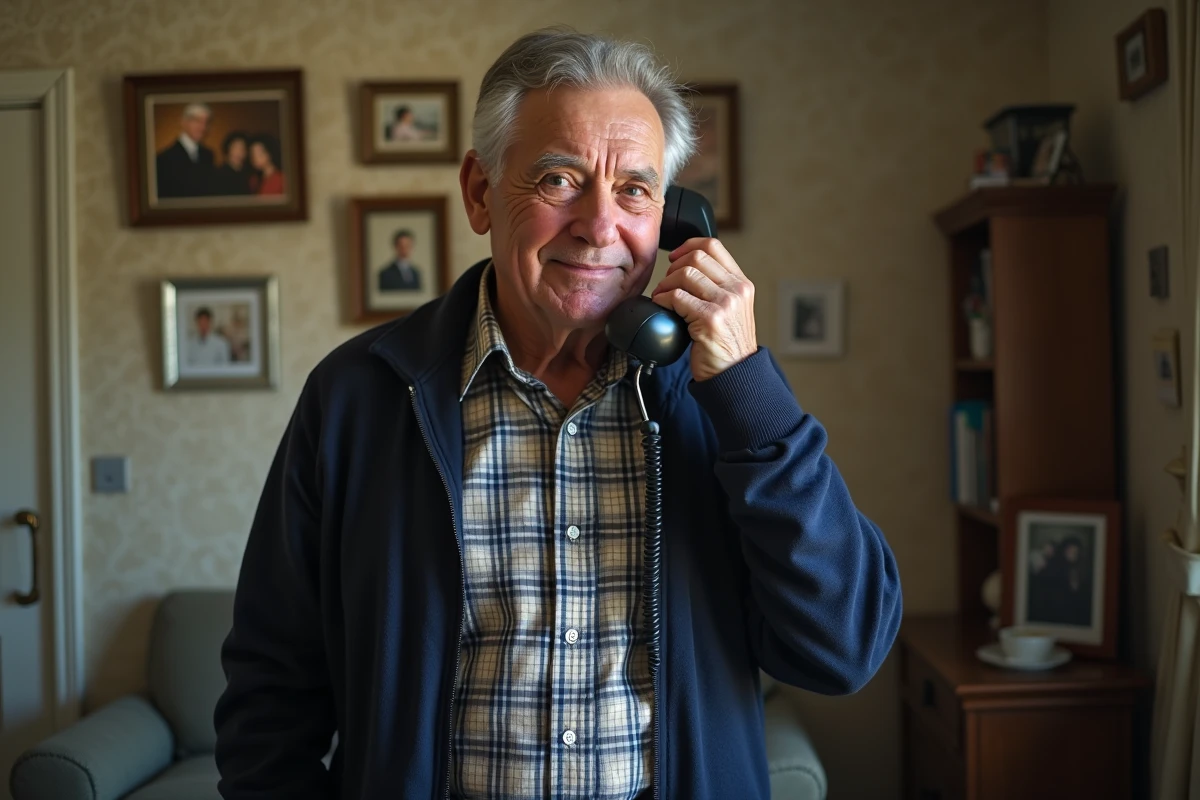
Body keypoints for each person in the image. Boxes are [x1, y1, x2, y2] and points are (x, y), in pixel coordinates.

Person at [214, 26, 902, 800]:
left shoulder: (726, 405)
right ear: (480, 192)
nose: (600, 224)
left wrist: (749, 392)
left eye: (635, 189)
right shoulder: (356, 398)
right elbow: (271, 688)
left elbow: (843, 650)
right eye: (559, 179)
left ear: (672, 217)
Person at [155, 102, 216, 198]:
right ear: (183, 122)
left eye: (206, 122)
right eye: (197, 121)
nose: (203, 128)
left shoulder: (208, 155)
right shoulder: (164, 159)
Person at [212, 130, 253, 196]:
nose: (239, 152)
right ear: (228, 149)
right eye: (236, 147)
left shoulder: (249, 175)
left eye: (242, 148)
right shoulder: (218, 175)